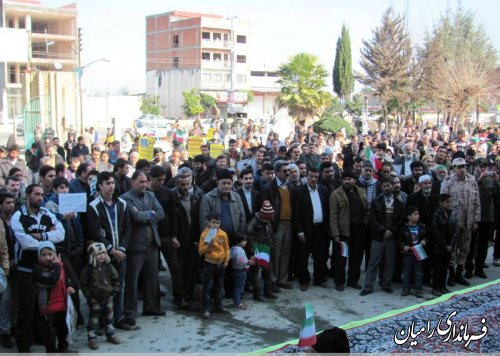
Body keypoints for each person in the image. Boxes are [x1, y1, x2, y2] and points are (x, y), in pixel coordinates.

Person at [11, 184, 65, 352]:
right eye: (36, 194)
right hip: (26, 268)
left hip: (45, 268)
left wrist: (41, 236)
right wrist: (48, 245)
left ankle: (41, 338)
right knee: (27, 307)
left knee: (44, 307)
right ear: (27, 196)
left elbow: (61, 234)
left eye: (42, 195)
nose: (40, 198)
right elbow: (25, 243)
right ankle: (24, 345)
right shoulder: (18, 216)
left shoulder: (47, 214)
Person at [88, 171, 133, 331]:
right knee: (102, 290)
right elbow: (95, 232)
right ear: (100, 186)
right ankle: (102, 323)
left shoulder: (122, 204)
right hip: (104, 256)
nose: (111, 186)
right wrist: (111, 250)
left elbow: (127, 227)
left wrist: (122, 248)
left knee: (119, 286)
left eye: (112, 183)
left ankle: (118, 318)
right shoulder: (93, 207)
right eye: (107, 183)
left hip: (120, 253)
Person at [121, 171, 165, 325]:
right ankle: (129, 313)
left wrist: (146, 215)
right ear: (133, 182)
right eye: (140, 182)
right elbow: (135, 217)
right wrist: (149, 214)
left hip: (152, 244)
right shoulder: (126, 198)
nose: (144, 184)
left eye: (146, 181)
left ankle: (151, 306)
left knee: (152, 279)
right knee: (132, 282)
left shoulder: (151, 196)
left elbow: (160, 213)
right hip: (135, 246)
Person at [360, 177, 405, 296]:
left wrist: (392, 231)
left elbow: (401, 220)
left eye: (388, 185)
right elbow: (373, 220)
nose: (386, 188)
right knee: (373, 262)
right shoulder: (376, 202)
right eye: (384, 186)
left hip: (392, 237)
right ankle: (368, 286)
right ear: (381, 187)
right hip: (378, 237)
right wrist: (383, 230)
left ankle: (386, 284)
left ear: (392, 186)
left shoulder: (399, 203)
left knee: (389, 263)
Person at [440, 157, 481, 287]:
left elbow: (477, 201)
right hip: (453, 222)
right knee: (452, 249)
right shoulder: (448, 182)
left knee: (465, 248)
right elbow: (442, 203)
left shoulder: (472, 180)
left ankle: (459, 273)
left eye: (464, 166)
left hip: (468, 221)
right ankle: (451, 274)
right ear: (453, 168)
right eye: (459, 167)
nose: (462, 169)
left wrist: (476, 220)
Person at [33, 241, 76, 353]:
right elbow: (52, 280)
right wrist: (57, 266)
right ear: (39, 255)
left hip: (61, 304)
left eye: (50, 254)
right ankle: (51, 352)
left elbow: (64, 279)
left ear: (55, 254)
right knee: (49, 332)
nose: (47, 257)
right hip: (48, 306)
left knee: (63, 329)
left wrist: (69, 286)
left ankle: (63, 348)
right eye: (44, 255)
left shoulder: (59, 265)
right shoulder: (38, 269)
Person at [330, 169, 368, 291]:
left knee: (356, 258)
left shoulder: (361, 192)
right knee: (341, 259)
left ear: (354, 180)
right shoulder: (336, 194)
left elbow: (367, 209)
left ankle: (353, 281)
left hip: (359, 231)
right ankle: (339, 282)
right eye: (345, 179)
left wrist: (365, 222)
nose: (347, 181)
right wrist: (335, 233)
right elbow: (333, 215)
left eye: (349, 179)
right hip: (343, 233)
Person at [293, 167, 330, 291]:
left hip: (321, 229)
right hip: (306, 230)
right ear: (306, 177)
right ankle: (304, 280)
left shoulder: (324, 190)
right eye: (311, 176)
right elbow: (296, 214)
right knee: (303, 256)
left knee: (320, 256)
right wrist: (299, 231)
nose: (314, 179)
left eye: (316, 177)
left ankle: (319, 279)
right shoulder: (299, 192)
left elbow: (327, 210)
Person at [80, 242, 121, 350]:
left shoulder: (108, 266)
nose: (102, 255)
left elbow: (116, 279)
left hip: (109, 298)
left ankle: (110, 334)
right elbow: (84, 285)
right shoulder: (87, 270)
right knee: (94, 320)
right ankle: (92, 338)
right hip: (95, 300)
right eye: (98, 254)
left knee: (109, 318)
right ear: (92, 256)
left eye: (103, 253)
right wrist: (90, 297)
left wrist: (114, 292)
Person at [198, 211, 230, 319]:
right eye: (213, 222)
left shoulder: (223, 234)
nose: (215, 225)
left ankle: (218, 306)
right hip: (209, 264)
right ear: (208, 223)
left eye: (218, 222)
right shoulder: (204, 234)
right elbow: (201, 251)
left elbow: (226, 248)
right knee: (208, 287)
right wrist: (208, 245)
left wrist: (225, 262)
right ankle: (206, 309)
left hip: (221, 265)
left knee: (219, 286)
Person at [246, 201, 276, 301]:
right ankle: (257, 294)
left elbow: (270, 234)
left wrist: (270, 246)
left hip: (265, 248)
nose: (271, 219)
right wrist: (252, 253)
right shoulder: (253, 223)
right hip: (257, 249)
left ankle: (268, 291)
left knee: (268, 271)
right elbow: (249, 239)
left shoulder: (267, 221)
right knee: (257, 273)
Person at [399, 206, 428, 297]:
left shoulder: (421, 227)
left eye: (418, 214)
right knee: (407, 272)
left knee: (418, 272)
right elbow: (399, 240)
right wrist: (404, 246)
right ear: (409, 216)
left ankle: (418, 289)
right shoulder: (404, 228)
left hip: (418, 252)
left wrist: (424, 241)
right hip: (408, 254)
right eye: (415, 214)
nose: (418, 216)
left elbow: (427, 236)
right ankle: (406, 288)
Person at [432, 194, 456, 297]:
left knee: (445, 266)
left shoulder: (451, 214)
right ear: (441, 203)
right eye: (447, 202)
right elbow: (436, 231)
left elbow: (455, 230)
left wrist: (451, 244)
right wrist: (444, 244)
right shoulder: (436, 215)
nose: (449, 204)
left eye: (450, 202)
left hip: (449, 245)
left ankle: (443, 286)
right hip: (439, 246)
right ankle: (435, 287)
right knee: (438, 267)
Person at [230, 235, 252, 309]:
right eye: (244, 240)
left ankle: (237, 301)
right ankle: (237, 303)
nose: (246, 242)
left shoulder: (233, 249)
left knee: (237, 287)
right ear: (239, 242)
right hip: (241, 271)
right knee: (239, 288)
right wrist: (249, 262)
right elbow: (241, 261)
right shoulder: (240, 250)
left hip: (236, 270)